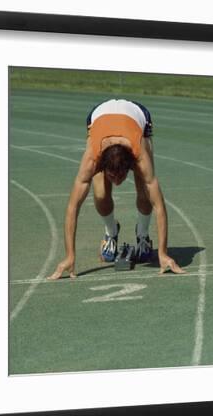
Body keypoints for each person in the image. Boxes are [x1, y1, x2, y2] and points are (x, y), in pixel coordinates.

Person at [48, 98, 184, 280]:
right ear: (102, 167)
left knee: (145, 188)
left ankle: (142, 235)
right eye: (112, 176)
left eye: (121, 176)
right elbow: (72, 208)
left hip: (137, 117)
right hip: (98, 116)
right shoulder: (92, 158)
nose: (117, 182)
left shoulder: (138, 152)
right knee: (101, 193)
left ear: (130, 165)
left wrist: (163, 253)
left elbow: (159, 205)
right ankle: (111, 232)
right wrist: (70, 256)